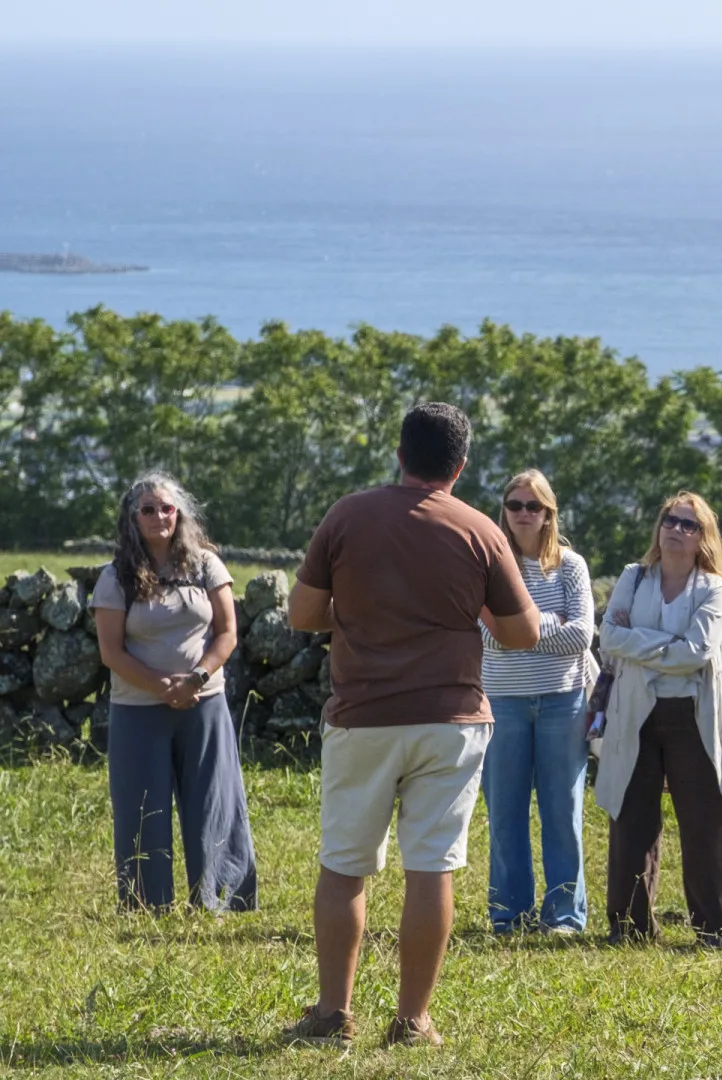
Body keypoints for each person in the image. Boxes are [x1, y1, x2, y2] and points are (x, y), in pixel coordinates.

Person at [283, 403, 540, 1049]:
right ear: (460, 464)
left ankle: (333, 1013)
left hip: (363, 713)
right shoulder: (480, 529)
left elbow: (303, 614)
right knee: (432, 867)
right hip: (450, 718)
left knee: (345, 865)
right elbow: (523, 633)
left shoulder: (347, 515)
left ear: (400, 453)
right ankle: (413, 1020)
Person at [596, 491, 722, 949]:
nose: (677, 530)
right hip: (636, 712)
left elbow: (700, 653)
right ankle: (628, 927)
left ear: (703, 537)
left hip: (694, 714)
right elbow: (608, 636)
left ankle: (715, 931)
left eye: (689, 525)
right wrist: (665, 645)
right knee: (632, 820)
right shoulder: (634, 576)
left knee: (705, 822)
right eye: (671, 519)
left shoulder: (711, 588)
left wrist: (639, 641)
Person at [91, 472, 257, 912]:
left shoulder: (205, 565)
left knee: (214, 801)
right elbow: (111, 650)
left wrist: (195, 680)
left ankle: (222, 898)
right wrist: (162, 686)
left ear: (179, 512)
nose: (159, 516)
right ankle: (148, 903)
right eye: (148, 509)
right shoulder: (115, 577)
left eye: (166, 507)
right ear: (132, 518)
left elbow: (227, 633)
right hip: (138, 707)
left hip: (205, 703)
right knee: (142, 808)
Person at [479, 469, 598, 935]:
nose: (524, 514)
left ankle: (566, 916)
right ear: (503, 510)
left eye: (534, 506)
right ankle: (509, 914)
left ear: (549, 513)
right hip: (502, 701)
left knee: (562, 812)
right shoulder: (489, 565)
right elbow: (488, 637)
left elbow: (582, 636)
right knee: (504, 812)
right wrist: (551, 621)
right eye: (515, 505)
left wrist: (521, 628)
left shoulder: (571, 566)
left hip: (563, 701)